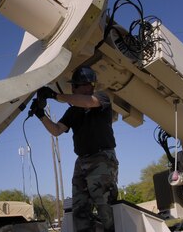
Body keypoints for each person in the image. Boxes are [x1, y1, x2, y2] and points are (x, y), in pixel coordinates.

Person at [33, 66, 119, 232]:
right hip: (82, 162)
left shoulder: (101, 98)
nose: (72, 89)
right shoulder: (73, 111)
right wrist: (40, 115)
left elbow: (87, 102)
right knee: (80, 210)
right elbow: (56, 130)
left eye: (75, 86)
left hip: (102, 158)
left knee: (105, 209)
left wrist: (54, 95)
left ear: (88, 85)